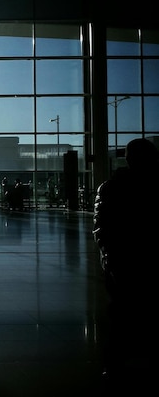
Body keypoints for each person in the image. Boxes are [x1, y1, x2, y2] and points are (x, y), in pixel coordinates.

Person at [93, 138, 159, 393]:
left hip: (124, 260)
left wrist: (110, 257)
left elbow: (102, 228)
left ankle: (116, 365)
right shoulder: (121, 187)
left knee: (121, 314)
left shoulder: (112, 188)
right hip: (136, 259)